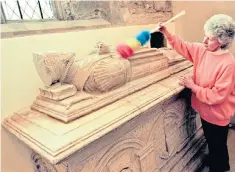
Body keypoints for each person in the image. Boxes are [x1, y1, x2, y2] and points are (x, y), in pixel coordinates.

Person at [158, 14, 235, 172]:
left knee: (218, 145)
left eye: (210, 38)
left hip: (218, 115)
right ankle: (216, 160)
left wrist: (193, 86)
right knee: (211, 141)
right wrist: (167, 33)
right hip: (206, 112)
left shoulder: (228, 64)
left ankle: (220, 167)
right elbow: (184, 46)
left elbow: (217, 96)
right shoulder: (203, 50)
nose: (204, 41)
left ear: (223, 41)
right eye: (205, 36)